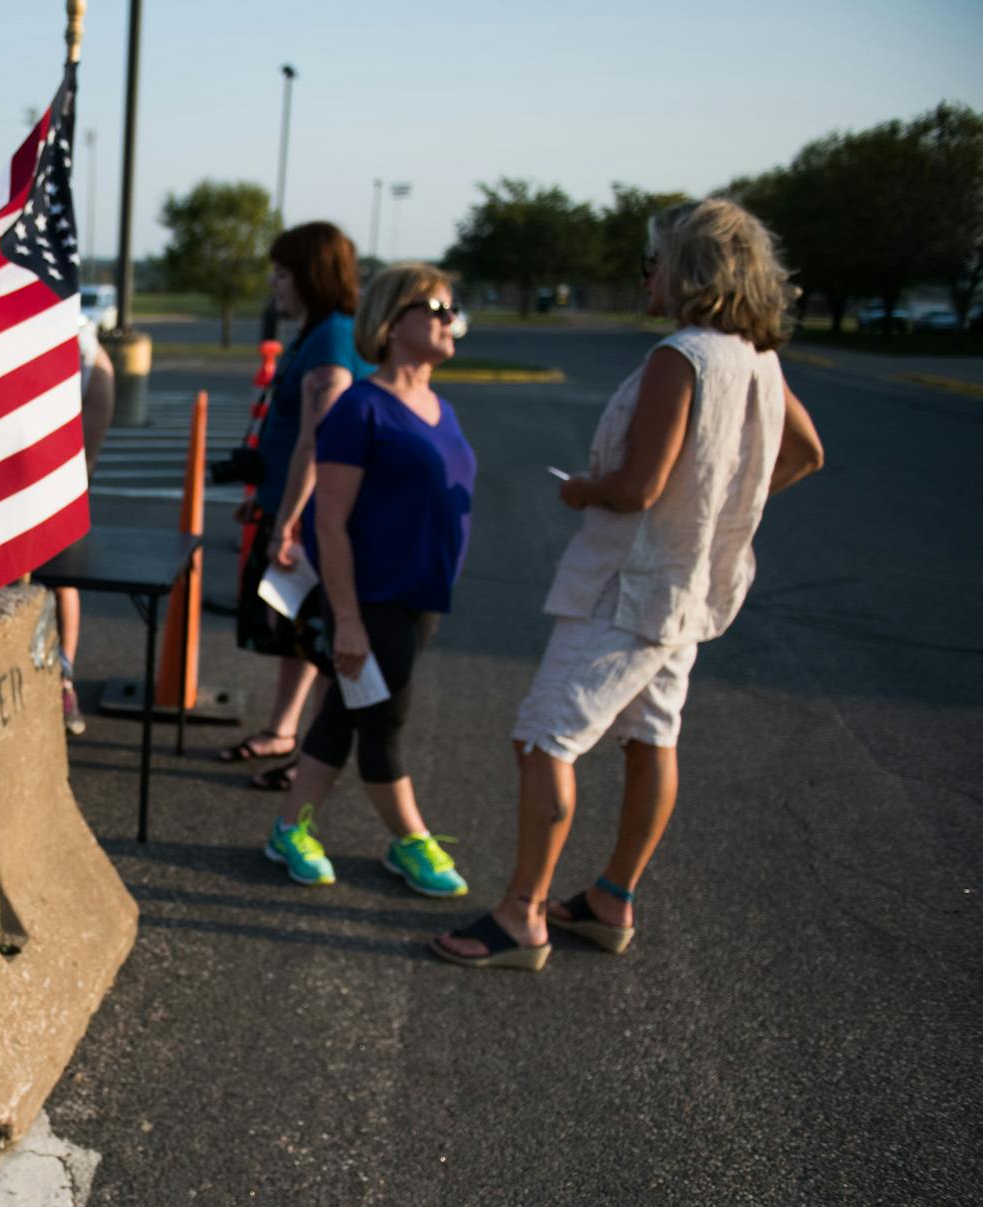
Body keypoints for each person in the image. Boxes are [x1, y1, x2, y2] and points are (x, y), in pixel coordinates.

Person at [432, 198, 824, 970]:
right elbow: (806, 453)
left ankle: (522, 916)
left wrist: (583, 489)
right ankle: (614, 898)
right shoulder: (758, 359)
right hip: (689, 592)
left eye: (653, 263)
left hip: (630, 588)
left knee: (544, 738)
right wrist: (722, 507)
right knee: (652, 738)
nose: (646, 277)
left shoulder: (681, 357)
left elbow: (638, 488)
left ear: (686, 269)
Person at [263, 263, 474, 899]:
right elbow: (331, 523)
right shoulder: (360, 407)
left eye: (450, 308)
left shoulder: (441, 406)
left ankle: (289, 828)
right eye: (435, 307)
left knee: (345, 714)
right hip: (371, 595)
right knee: (384, 721)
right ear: (392, 320)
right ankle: (411, 840)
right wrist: (347, 619)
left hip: (421, 596)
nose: (448, 319)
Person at [221, 221, 372, 786]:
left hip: (316, 520)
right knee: (297, 633)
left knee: (323, 639)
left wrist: (287, 522)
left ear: (311, 275)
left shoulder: (334, 337)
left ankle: (315, 755)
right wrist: (264, 499)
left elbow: (318, 438)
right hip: (292, 508)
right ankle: (285, 732)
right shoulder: (314, 333)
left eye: (283, 273)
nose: (274, 285)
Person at [54, 320, 118, 734]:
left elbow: (87, 461)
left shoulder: (83, 347)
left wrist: (79, 476)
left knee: (61, 577)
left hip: (56, 469)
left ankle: (63, 680)